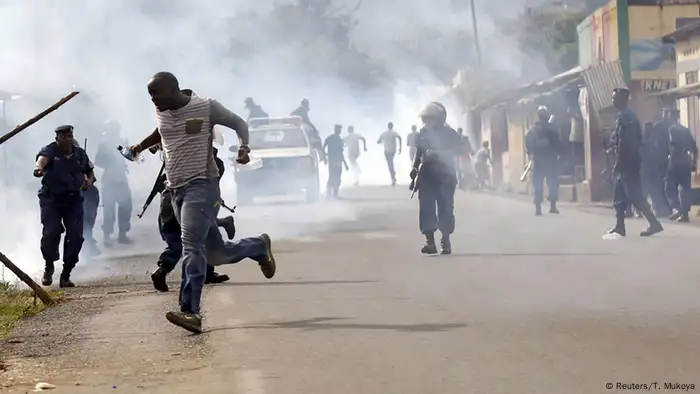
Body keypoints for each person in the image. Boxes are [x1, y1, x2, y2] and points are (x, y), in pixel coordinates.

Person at [129, 72, 277, 333]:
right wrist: (140, 146)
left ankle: (190, 311)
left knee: (191, 246)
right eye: (150, 96)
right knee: (218, 254)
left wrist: (244, 147)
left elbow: (239, 123)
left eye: (157, 94)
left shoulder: (205, 107)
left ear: (174, 90)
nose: (153, 100)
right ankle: (258, 246)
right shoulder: (161, 110)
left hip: (202, 185)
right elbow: (162, 130)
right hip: (175, 189)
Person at [150, 145, 236, 292]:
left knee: (176, 244)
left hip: (169, 209)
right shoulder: (210, 165)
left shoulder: (177, 162)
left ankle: (162, 270)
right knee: (202, 238)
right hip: (185, 207)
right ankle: (207, 273)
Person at [33, 125, 95, 287]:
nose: (68, 139)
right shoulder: (51, 150)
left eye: (70, 136)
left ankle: (66, 274)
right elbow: (42, 159)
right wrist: (39, 168)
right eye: (64, 136)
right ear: (57, 138)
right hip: (51, 199)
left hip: (73, 199)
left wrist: (89, 181)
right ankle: (49, 266)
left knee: (76, 237)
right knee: (51, 232)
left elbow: (89, 171)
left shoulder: (79, 153)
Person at [607, 88, 663, 237]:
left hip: (628, 163)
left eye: (615, 98)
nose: (612, 101)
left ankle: (654, 223)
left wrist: (618, 163)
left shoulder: (627, 117)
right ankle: (620, 226)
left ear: (622, 99)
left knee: (635, 195)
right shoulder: (624, 116)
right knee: (618, 195)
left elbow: (626, 144)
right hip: (626, 162)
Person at [410, 102, 462, 255]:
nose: (427, 122)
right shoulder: (422, 134)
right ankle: (430, 242)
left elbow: (460, 149)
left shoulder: (450, 134)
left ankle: (445, 240)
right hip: (426, 175)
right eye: (425, 119)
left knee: (446, 207)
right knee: (426, 208)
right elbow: (418, 153)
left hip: (446, 175)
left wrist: (441, 152)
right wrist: (414, 168)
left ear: (440, 118)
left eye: (430, 118)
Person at [95, 119, 133, 245]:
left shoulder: (121, 142)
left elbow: (127, 157)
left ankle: (122, 234)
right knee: (109, 209)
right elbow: (98, 161)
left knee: (125, 205)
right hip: (110, 179)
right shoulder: (104, 143)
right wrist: (110, 162)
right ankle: (107, 236)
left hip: (120, 177)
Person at [525, 106, 561, 216]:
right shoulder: (552, 128)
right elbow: (557, 143)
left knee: (537, 183)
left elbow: (528, 143)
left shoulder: (533, 130)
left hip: (538, 160)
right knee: (552, 182)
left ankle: (538, 209)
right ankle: (553, 207)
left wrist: (531, 154)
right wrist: (557, 154)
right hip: (550, 160)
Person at [665, 108, 697, 222]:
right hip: (686, 162)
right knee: (685, 189)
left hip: (675, 162)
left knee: (669, 187)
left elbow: (673, 145)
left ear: (670, 116)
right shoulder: (685, 130)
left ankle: (677, 208)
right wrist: (694, 162)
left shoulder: (672, 129)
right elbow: (694, 147)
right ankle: (685, 214)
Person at [76, 139, 101, 257]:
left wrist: (86, 181)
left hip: (88, 195)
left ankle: (89, 244)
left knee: (88, 221)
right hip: (74, 196)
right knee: (81, 223)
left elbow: (91, 178)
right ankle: (88, 245)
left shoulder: (83, 160)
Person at [324, 124, 349, 198]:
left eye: (340, 129)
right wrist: (325, 156)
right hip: (334, 161)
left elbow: (341, 153)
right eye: (338, 129)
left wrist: (345, 164)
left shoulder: (336, 139)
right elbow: (323, 147)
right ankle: (330, 195)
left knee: (336, 178)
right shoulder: (333, 139)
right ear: (335, 130)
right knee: (334, 177)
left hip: (336, 161)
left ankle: (333, 194)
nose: (339, 131)